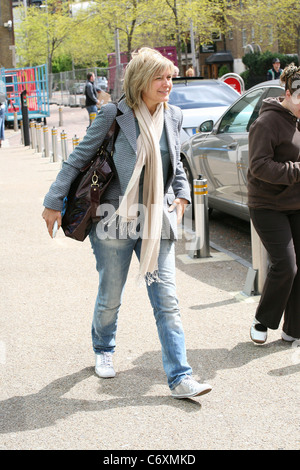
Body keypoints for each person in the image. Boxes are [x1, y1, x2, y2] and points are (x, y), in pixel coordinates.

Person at [42, 47, 212, 399]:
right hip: (113, 220)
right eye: (160, 77)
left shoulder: (173, 116)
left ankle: (180, 376)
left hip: (156, 222)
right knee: (111, 295)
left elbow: (176, 164)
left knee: (167, 300)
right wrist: (52, 201)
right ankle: (104, 347)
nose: (168, 83)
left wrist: (181, 197)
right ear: (140, 81)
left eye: (170, 77)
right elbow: (76, 161)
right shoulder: (113, 114)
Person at [248, 63, 300, 344]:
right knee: (285, 265)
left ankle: (294, 329)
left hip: (297, 203)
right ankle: (263, 320)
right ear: (288, 93)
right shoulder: (266, 122)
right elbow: (259, 167)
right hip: (267, 204)